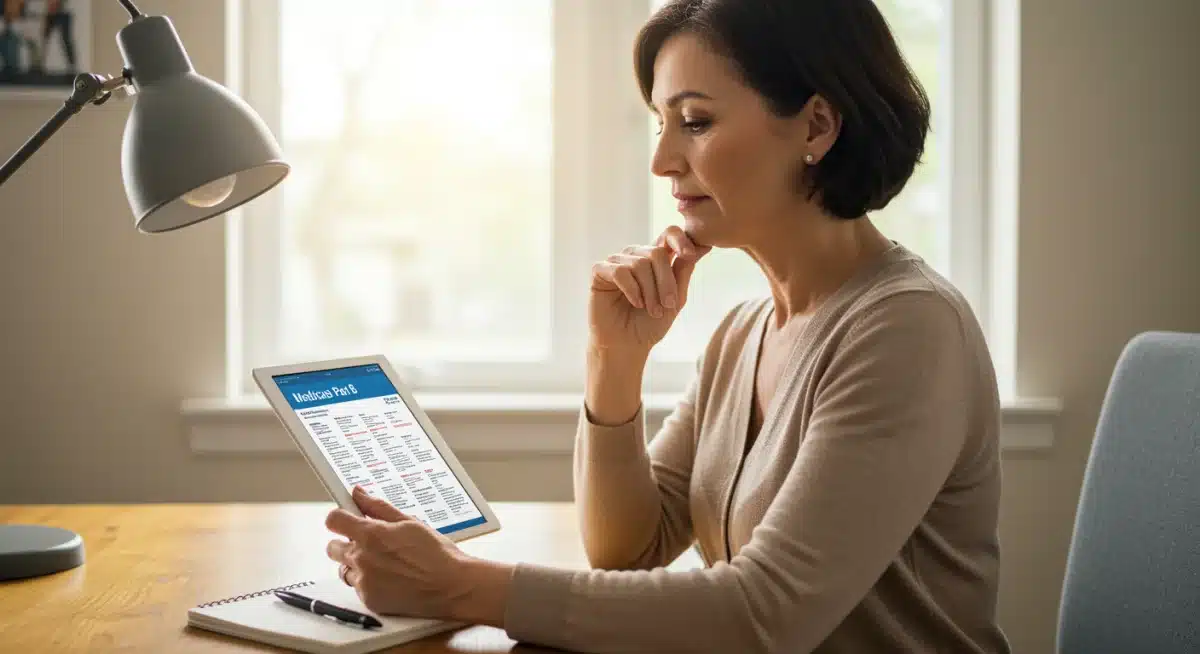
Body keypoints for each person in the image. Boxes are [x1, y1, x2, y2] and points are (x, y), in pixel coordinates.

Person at [323, 0, 1011, 651]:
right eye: (661, 123)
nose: (663, 161)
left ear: (816, 127)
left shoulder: (906, 329)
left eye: (697, 121)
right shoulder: (744, 334)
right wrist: (613, 363)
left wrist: (461, 586)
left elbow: (765, 617)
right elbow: (627, 552)